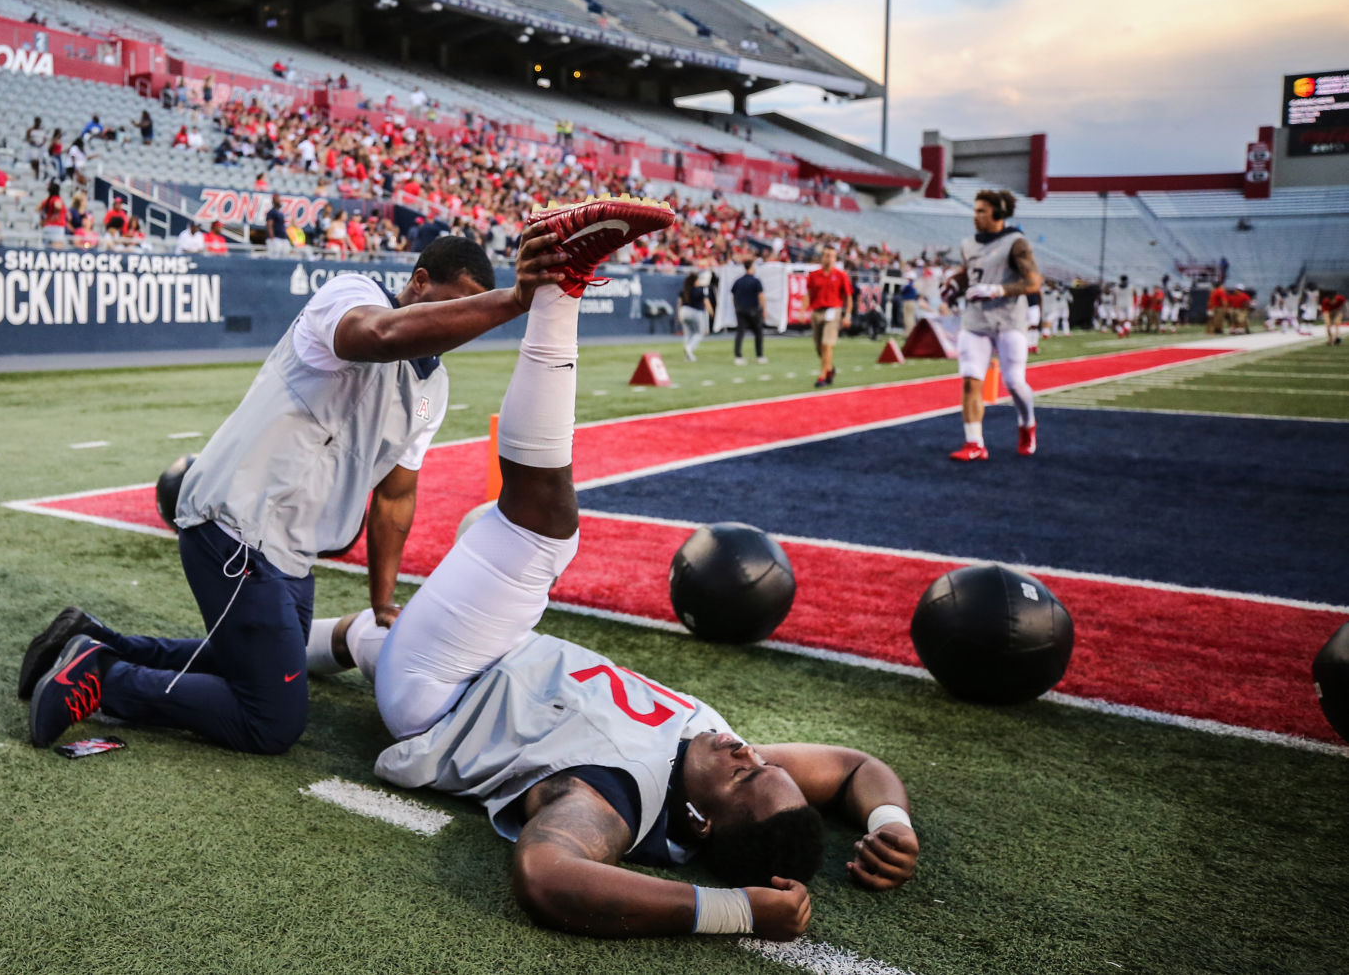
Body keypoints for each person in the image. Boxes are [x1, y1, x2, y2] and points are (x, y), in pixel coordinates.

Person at [307, 261, 917, 940]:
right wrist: (891, 823)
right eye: (765, 761)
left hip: (442, 689)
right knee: (447, 565)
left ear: (698, 822)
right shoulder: (724, 759)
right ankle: (270, 648)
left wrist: (735, 910)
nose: (752, 754)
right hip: (499, 656)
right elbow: (856, 766)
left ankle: (559, 293)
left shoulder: (613, 798)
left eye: (749, 776)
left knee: (539, 533)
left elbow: (547, 876)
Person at [21, 198, 676, 757]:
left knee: (252, 664)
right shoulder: (352, 295)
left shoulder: (433, 387)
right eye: (457, 306)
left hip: (289, 551)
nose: (460, 329)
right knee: (271, 720)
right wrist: (514, 300)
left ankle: (94, 639)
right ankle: (104, 678)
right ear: (418, 282)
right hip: (236, 529)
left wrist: (384, 599)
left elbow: (395, 496)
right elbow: (382, 335)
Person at [949, 189, 1042, 461]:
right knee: (970, 381)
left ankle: (1027, 423)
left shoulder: (1016, 242)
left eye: (981, 211)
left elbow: (1034, 282)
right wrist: (953, 284)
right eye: (975, 210)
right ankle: (974, 443)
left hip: (1009, 319)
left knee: (1014, 382)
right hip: (976, 320)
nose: (975, 216)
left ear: (998, 214)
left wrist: (997, 290)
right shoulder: (968, 243)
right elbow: (970, 274)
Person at [804, 247, 850, 386]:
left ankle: (822, 376)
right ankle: (829, 369)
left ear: (835, 259)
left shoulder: (841, 275)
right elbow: (808, 294)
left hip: (833, 311)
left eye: (831, 256)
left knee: (826, 344)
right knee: (819, 346)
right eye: (826, 255)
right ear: (822, 257)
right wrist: (802, 310)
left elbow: (848, 297)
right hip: (817, 312)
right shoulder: (814, 275)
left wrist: (847, 314)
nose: (828, 258)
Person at [730, 259, 767, 366]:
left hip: (740, 309)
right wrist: (764, 309)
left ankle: (738, 356)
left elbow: (733, 295)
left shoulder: (738, 281)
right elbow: (761, 296)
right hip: (753, 310)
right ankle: (759, 355)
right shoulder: (756, 281)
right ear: (751, 267)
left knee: (740, 333)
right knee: (758, 333)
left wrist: (736, 306)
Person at [677, 269, 714, 363]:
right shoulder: (700, 290)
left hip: (683, 312)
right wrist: (711, 312)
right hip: (695, 312)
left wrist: (678, 315)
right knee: (699, 333)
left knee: (688, 334)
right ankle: (689, 348)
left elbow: (679, 304)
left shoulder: (684, 290)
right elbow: (706, 302)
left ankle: (687, 356)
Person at [38, 181, 67, 248]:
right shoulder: (57, 199)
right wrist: (55, 215)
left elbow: (39, 209)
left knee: (47, 249)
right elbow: (58, 206)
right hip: (57, 227)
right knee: (56, 251)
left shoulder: (47, 200)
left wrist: (45, 219)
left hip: (47, 227)